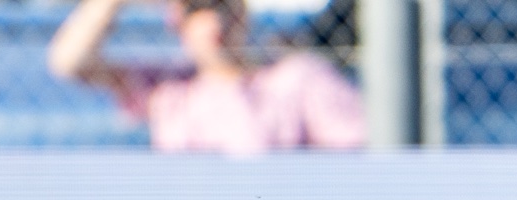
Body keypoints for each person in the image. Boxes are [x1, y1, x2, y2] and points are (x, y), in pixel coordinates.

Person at [47, 0, 366, 154]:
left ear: (241, 12)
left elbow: (360, 152)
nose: (213, 20)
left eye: (220, 4)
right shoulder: (167, 90)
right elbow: (69, 62)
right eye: (196, 8)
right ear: (177, 23)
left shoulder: (300, 78)